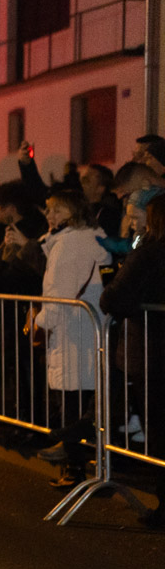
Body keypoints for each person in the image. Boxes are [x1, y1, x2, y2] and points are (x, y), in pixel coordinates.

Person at [34, 190, 110, 488]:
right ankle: (93, 469)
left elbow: (58, 294)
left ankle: (73, 470)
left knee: (71, 405)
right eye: (49, 210)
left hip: (72, 334)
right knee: (86, 403)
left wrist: (41, 323)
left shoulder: (67, 244)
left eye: (57, 210)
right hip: (88, 330)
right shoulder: (92, 239)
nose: (50, 216)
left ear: (74, 212)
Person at [100, 194, 165, 525]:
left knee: (159, 430)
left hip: (153, 353)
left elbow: (114, 297)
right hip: (152, 351)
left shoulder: (149, 252)